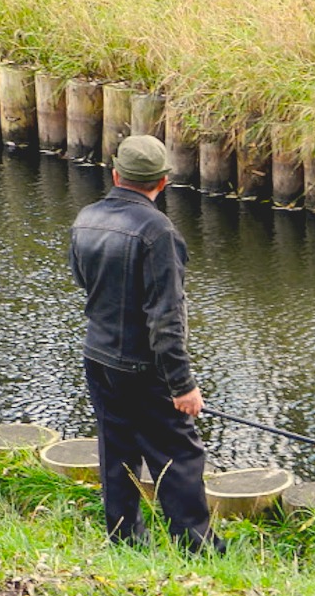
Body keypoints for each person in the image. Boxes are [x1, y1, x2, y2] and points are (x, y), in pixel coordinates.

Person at [69, 134, 225, 555]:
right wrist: (182, 386)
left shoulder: (85, 218)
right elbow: (166, 319)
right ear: (162, 182)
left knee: (116, 451)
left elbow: (84, 283)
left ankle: (124, 542)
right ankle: (198, 551)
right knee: (179, 455)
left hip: (97, 357)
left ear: (116, 174)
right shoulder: (159, 233)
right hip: (143, 368)